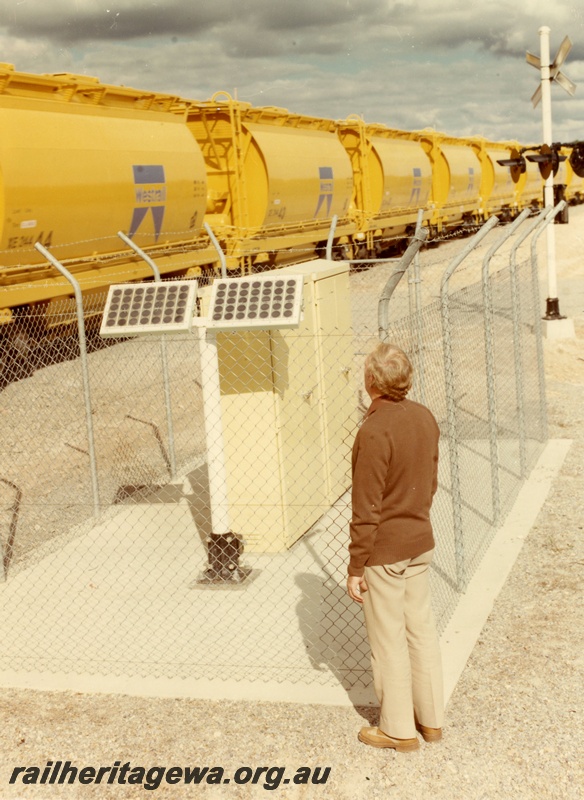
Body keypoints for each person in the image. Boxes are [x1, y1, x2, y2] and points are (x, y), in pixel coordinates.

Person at [347, 342, 444, 752]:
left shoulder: (374, 429)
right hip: (420, 541)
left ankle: (399, 730)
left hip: (385, 552)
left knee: (388, 639)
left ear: (371, 382)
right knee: (420, 630)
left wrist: (356, 566)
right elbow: (431, 480)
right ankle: (431, 720)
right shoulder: (424, 417)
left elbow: (366, 506)